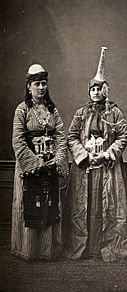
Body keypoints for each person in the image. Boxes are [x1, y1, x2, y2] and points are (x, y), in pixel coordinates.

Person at [63, 47, 127, 262]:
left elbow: (123, 135)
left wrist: (108, 154)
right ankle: (83, 248)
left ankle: (108, 248)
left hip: (108, 168)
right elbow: (72, 136)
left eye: (99, 89)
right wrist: (84, 155)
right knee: (83, 206)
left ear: (106, 91)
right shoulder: (81, 113)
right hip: (85, 168)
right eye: (92, 89)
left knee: (108, 207)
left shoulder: (115, 112)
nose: (95, 92)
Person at [11, 64, 69, 260]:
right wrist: (35, 161)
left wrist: (58, 158)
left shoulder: (52, 110)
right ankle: (28, 249)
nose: (41, 88)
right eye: (37, 84)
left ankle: (47, 250)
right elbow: (17, 140)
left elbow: (61, 136)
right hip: (29, 167)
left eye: (44, 83)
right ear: (29, 86)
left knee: (49, 203)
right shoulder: (22, 110)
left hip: (50, 164)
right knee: (29, 203)